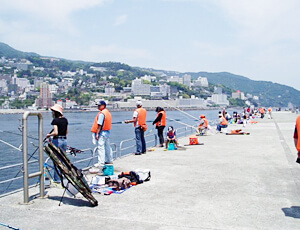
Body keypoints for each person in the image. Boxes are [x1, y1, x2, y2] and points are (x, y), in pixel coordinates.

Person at [46, 104, 68, 182]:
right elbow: (66, 132)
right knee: (63, 159)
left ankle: (57, 179)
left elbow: (55, 132)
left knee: (56, 160)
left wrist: (49, 135)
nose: (52, 113)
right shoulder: (65, 120)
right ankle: (63, 176)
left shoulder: (55, 121)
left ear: (55, 112)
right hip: (64, 140)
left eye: (53, 112)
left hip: (57, 141)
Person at [91, 100, 113, 167]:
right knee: (107, 147)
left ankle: (101, 162)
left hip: (102, 133)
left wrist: (97, 134)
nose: (98, 107)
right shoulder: (108, 112)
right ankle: (109, 160)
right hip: (107, 133)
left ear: (103, 106)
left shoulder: (102, 114)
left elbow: (99, 125)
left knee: (101, 148)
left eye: (99, 105)